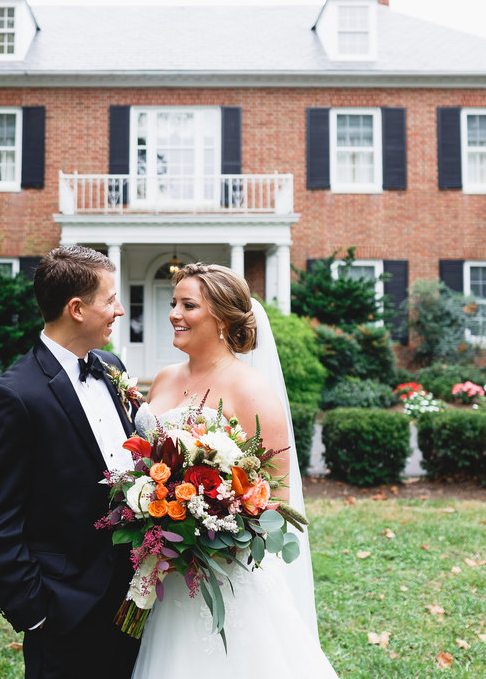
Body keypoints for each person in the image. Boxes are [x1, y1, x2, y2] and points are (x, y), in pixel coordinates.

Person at [130, 263, 337, 676]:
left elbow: (276, 500)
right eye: (174, 303)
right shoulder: (165, 379)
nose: (174, 313)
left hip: (222, 572)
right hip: (165, 567)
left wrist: (206, 534)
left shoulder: (252, 389)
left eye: (188, 305)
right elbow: (144, 464)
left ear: (223, 317)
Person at [0, 245, 142, 679]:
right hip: (67, 608)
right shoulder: (15, 396)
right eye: (110, 299)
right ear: (77, 309)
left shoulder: (110, 366)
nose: (119, 310)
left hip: (135, 594)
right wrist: (35, 612)